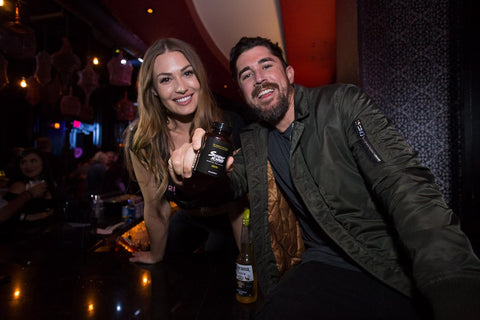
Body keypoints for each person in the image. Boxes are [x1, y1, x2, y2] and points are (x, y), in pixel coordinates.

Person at [169, 36, 480, 319]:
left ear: (289, 74)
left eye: (266, 65)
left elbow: (404, 185)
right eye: (246, 75)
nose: (259, 78)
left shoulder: (341, 104)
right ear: (242, 92)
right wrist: (192, 182)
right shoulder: (253, 142)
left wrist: (452, 280)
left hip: (386, 266)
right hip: (323, 266)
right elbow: (227, 186)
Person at [124, 38, 246, 264]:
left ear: (199, 76)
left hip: (229, 219)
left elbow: (237, 205)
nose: (181, 87)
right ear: (153, 91)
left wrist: (249, 266)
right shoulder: (143, 141)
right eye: (166, 79)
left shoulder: (228, 127)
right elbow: (155, 207)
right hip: (188, 218)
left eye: (188, 73)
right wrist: (156, 256)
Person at [0, 148, 58, 224]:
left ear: (43, 163)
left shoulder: (52, 183)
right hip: (26, 231)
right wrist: (30, 216)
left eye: (33, 161)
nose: (28, 166)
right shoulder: (19, 186)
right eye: (23, 162)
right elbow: (4, 214)